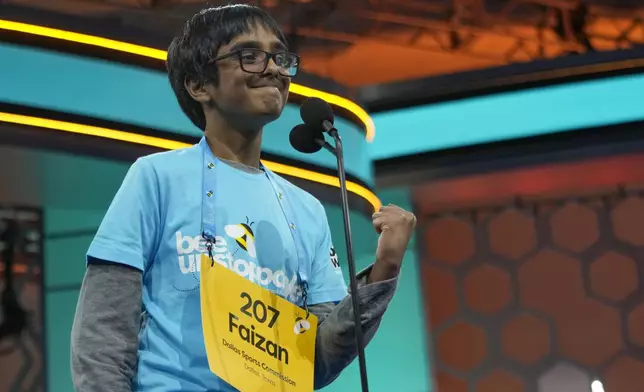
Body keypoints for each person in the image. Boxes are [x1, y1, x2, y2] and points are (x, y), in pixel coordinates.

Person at [70, 4, 416, 392]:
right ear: (199, 85)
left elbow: (316, 359)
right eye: (249, 56)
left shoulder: (307, 210)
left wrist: (384, 267)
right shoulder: (156, 178)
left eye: (280, 57)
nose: (272, 69)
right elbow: (103, 337)